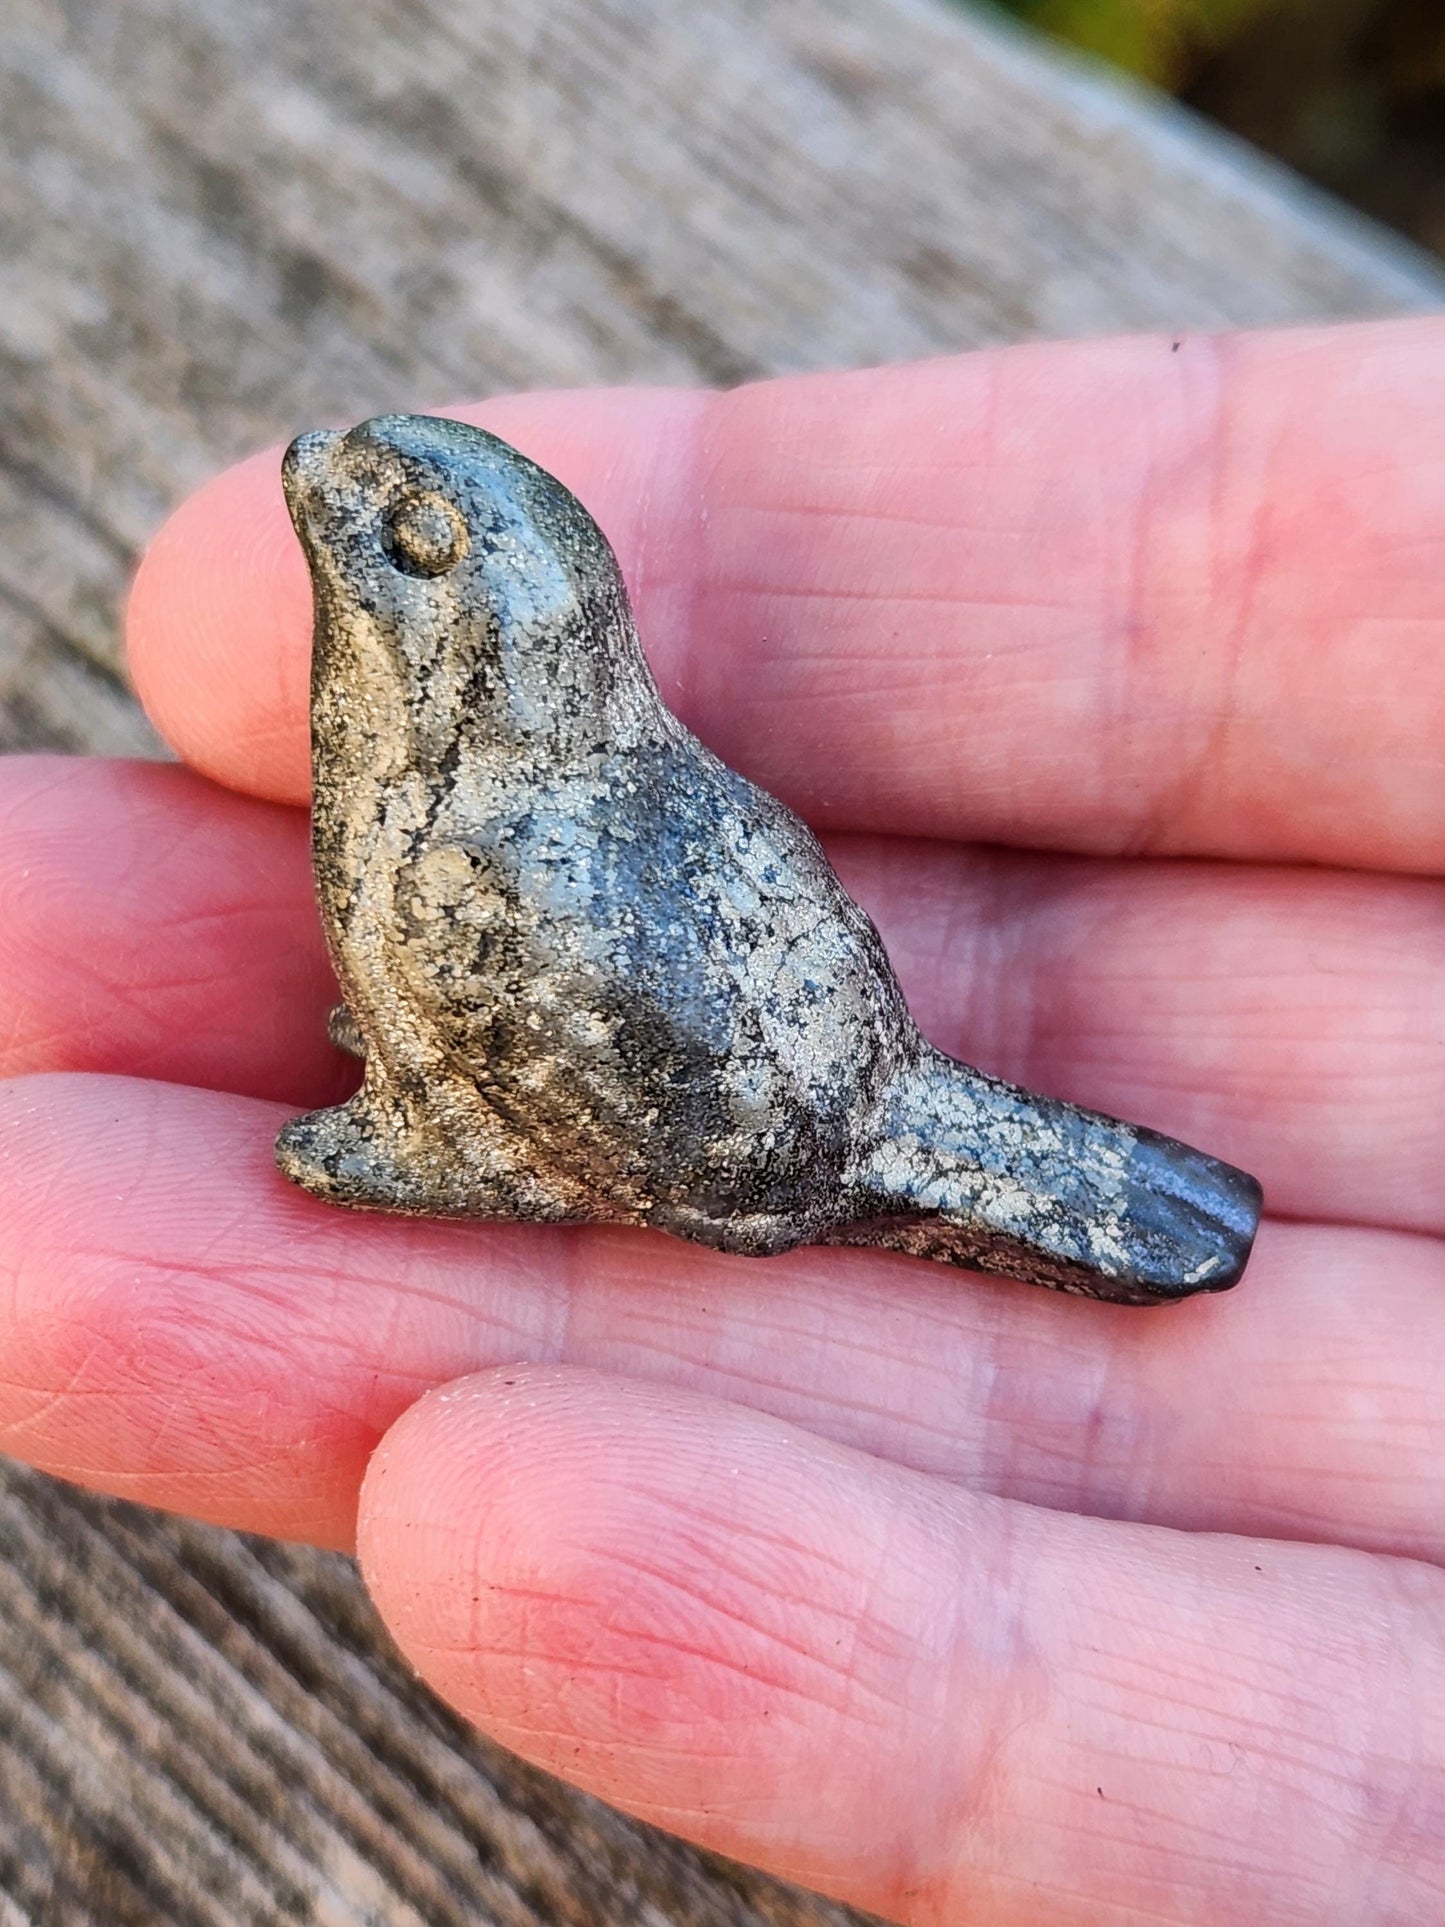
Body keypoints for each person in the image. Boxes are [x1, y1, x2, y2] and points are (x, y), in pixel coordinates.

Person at [1, 318, 1441, 1926]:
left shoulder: (485, 820)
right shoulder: (594, 744)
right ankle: (448, 1085)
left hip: (744, 1137)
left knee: (453, 926)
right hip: (809, 1075)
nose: (340, 511)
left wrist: (482, 1119)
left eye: (412, 541)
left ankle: (450, 1123)